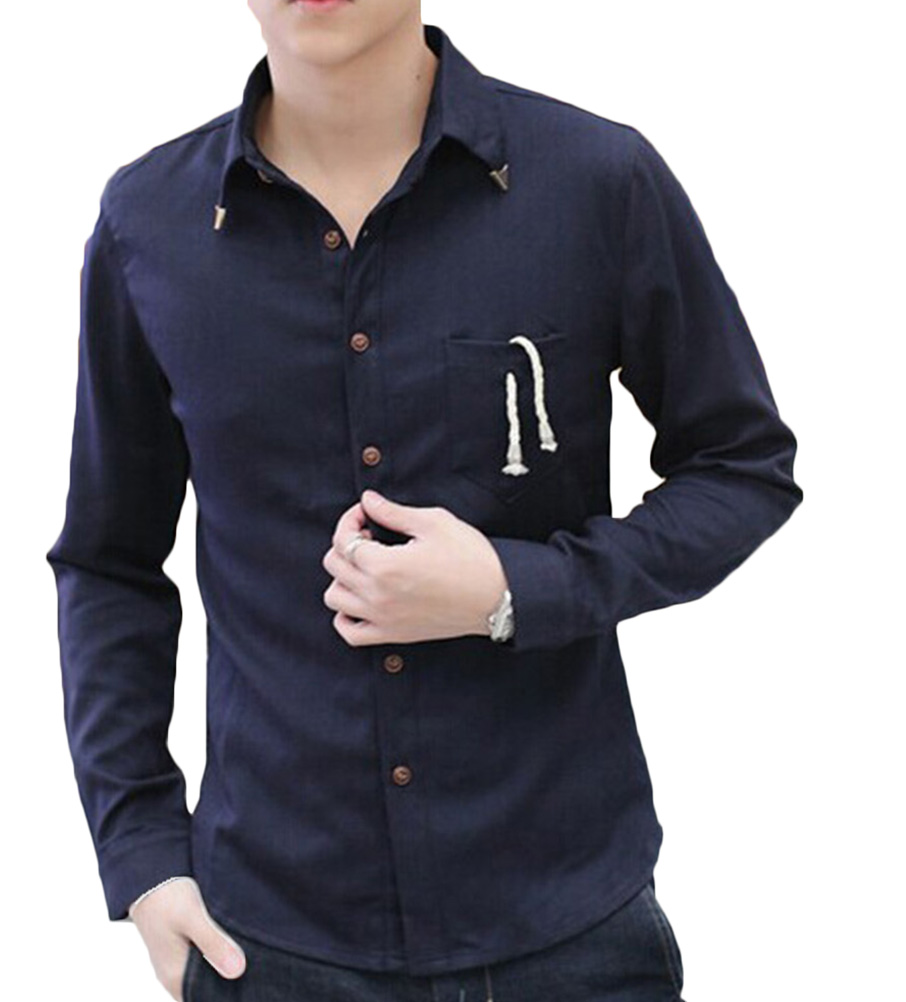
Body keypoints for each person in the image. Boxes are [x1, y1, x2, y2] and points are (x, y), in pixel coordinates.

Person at [46, 2, 803, 1000]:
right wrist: (140, 853)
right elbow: (109, 563)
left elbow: (742, 465)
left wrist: (518, 589)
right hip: (269, 938)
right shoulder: (149, 225)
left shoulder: (596, 181)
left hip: (567, 928)